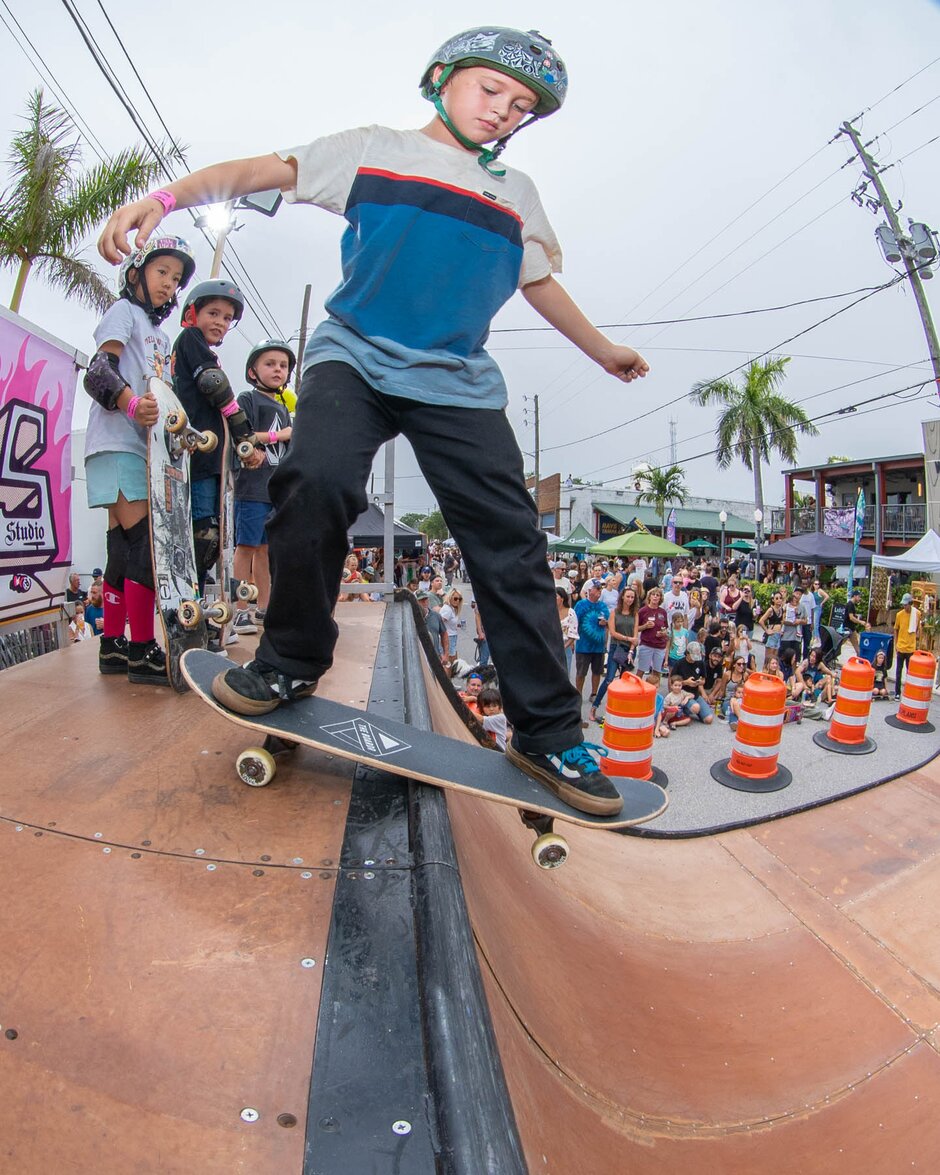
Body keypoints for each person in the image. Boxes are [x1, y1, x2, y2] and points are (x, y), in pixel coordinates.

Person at [98, 27, 652, 818]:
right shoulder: (373, 150)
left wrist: (602, 350)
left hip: (456, 382)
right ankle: (290, 659)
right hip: (352, 357)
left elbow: (539, 283)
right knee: (314, 480)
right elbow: (259, 169)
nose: (503, 113)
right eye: (490, 91)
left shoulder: (517, 194)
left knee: (510, 538)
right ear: (441, 80)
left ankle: (548, 729)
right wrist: (162, 200)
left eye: (520, 107)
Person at [83, 235, 196, 684]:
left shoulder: (161, 335)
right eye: (161, 272)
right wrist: (131, 405)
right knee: (147, 546)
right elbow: (98, 372)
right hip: (117, 440)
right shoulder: (123, 312)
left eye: (175, 278)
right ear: (136, 274)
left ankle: (113, 648)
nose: (169, 284)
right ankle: (142, 648)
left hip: (138, 449)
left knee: (120, 550)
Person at [171, 278, 261, 596]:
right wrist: (243, 433)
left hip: (211, 462)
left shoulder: (199, 347)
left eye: (226, 318)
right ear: (192, 314)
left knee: (214, 535)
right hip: (198, 457)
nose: (220, 322)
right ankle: (191, 598)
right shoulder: (190, 338)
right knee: (204, 533)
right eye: (214, 313)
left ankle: (200, 600)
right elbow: (213, 383)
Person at [231, 340, 296, 634]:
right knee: (246, 546)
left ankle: (264, 609)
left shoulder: (283, 407)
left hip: (276, 491)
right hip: (252, 487)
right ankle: (239, 609)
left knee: (266, 551)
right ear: (253, 370)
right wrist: (278, 436)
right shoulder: (248, 399)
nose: (278, 370)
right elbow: (243, 437)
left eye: (283, 366)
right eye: (270, 364)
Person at [592, 584, 640, 721]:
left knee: (624, 681)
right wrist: (628, 638)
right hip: (616, 647)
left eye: (632, 597)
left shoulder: (635, 614)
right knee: (609, 679)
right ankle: (595, 706)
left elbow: (635, 635)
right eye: (628, 596)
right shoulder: (614, 612)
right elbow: (612, 632)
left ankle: (620, 709)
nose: (630, 599)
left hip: (629, 649)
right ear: (623, 597)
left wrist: (631, 650)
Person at [574, 580, 610, 720]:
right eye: (597, 588)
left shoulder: (602, 606)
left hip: (598, 646)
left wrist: (605, 623)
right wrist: (573, 640)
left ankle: (594, 693)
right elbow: (575, 621)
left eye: (600, 588)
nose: (599, 590)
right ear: (589, 590)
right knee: (581, 672)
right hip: (583, 644)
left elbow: (608, 621)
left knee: (597, 671)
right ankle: (578, 693)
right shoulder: (581, 605)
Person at [635, 585, 669, 681]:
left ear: (660, 598)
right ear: (649, 597)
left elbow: (666, 628)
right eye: (653, 594)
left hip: (660, 646)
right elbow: (635, 628)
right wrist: (645, 626)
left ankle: (654, 693)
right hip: (646, 645)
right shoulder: (643, 611)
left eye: (657, 595)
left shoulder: (663, 612)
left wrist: (663, 633)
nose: (655, 597)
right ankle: (636, 691)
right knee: (641, 671)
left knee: (657, 672)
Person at [893, 592, 921, 698]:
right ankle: (897, 692)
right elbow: (896, 629)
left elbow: (918, 628)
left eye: (906, 604)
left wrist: (917, 642)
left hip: (911, 647)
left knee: (910, 672)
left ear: (910, 604)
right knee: (898, 671)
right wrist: (896, 643)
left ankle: (909, 691)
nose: (905, 607)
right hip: (901, 646)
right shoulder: (899, 614)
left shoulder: (916, 614)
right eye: (903, 605)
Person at [556, 587, 578, 676]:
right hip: (552, 645)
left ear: (562, 598)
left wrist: (564, 646)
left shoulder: (570, 613)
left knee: (564, 673)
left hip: (565, 646)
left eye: (556, 596)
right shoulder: (551, 612)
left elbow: (573, 635)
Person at [479, 686, 508, 751]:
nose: (491, 709)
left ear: (500, 706)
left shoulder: (500, 718)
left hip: (499, 753)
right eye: (487, 706)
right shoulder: (486, 716)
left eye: (494, 706)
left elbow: (479, 719)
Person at [439, 588, 464, 660]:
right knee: (449, 661)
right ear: (450, 597)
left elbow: (448, 622)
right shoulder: (448, 609)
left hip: (452, 636)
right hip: (448, 637)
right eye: (455, 598)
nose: (458, 601)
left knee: (453, 659)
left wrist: (457, 625)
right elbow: (440, 623)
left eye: (460, 599)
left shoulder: (452, 608)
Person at [844, 588, 869, 656]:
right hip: (847, 628)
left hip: (851, 628)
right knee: (840, 644)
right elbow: (851, 617)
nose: (859, 598)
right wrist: (860, 622)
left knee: (856, 645)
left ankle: (860, 660)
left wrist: (857, 617)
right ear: (854, 596)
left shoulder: (852, 604)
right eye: (859, 596)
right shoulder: (850, 604)